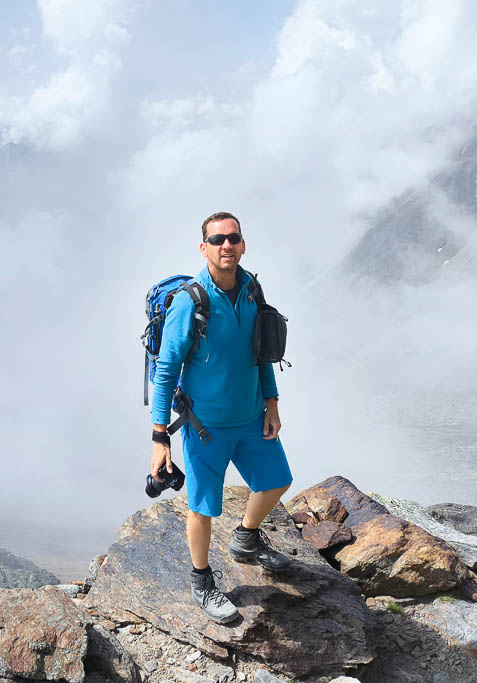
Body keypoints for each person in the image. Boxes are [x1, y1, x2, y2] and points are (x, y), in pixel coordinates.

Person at [150, 211, 293, 624]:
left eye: (233, 238)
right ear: (204, 248)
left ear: (243, 244)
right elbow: (166, 371)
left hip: (250, 417)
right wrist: (160, 437)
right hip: (205, 427)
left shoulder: (251, 289)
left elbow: (262, 352)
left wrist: (272, 402)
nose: (226, 245)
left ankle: (246, 537)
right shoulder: (190, 302)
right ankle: (202, 581)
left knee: (277, 480)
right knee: (203, 508)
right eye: (217, 240)